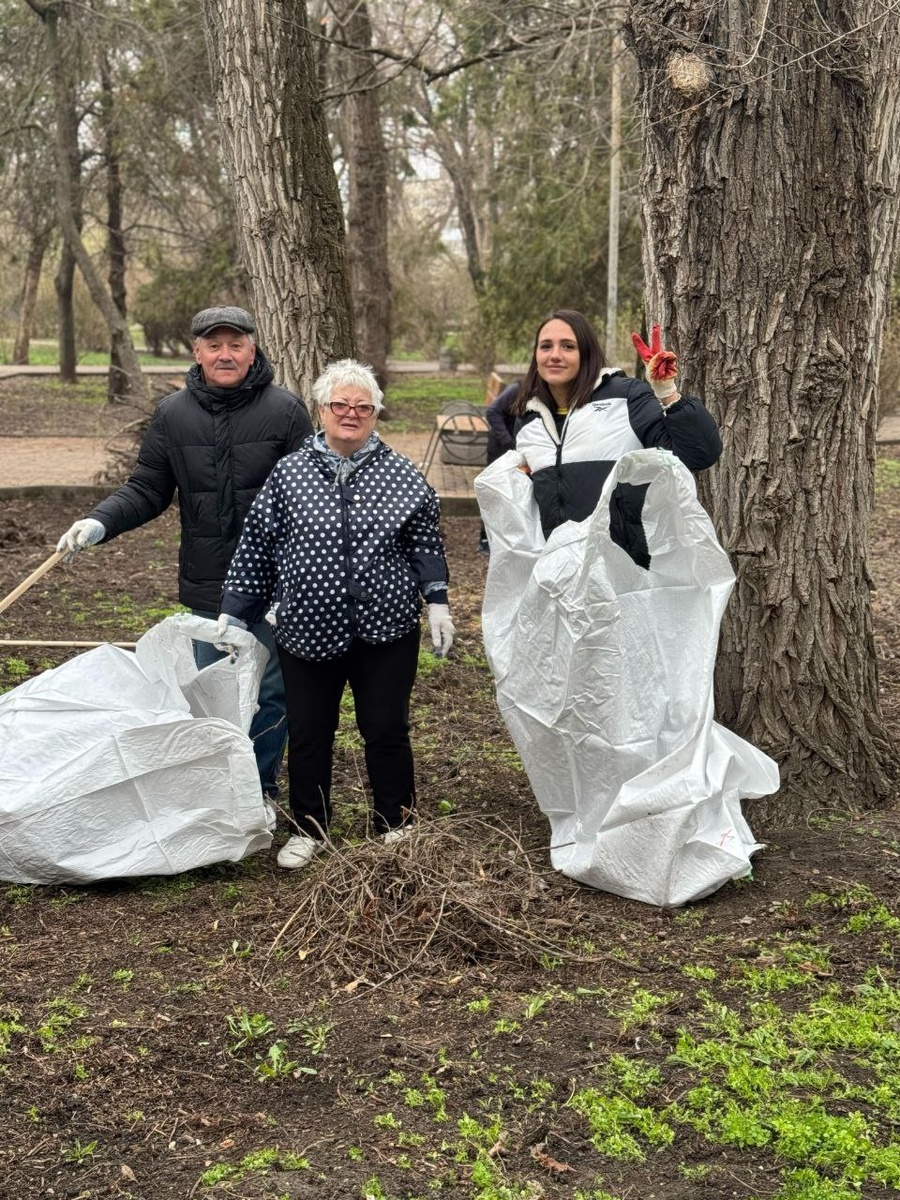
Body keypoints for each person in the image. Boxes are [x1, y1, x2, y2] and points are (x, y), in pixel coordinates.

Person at [56, 305, 313, 803]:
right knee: (213, 690)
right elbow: (147, 488)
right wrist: (100, 521)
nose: (225, 354)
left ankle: (257, 789)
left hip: (276, 586)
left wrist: (297, 577)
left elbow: (310, 501)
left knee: (270, 693)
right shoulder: (173, 415)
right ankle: (218, 789)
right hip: (208, 584)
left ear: (251, 348)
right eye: (213, 345)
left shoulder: (286, 412)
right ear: (196, 353)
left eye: (234, 344)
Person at [216, 358, 455, 871]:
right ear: (321, 410)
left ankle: (395, 820)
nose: (351, 413)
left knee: (386, 727)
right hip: (306, 627)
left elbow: (425, 540)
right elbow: (258, 544)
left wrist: (437, 598)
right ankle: (309, 825)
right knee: (309, 730)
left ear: (374, 414)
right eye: (340, 405)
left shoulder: (400, 474)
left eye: (362, 407)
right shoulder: (290, 473)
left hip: (386, 629)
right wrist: (236, 611)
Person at [511, 309, 722, 536]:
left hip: (621, 563)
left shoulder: (626, 397)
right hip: (556, 564)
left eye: (568, 346)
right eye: (546, 346)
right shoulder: (529, 417)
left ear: (587, 354)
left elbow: (698, 455)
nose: (554, 355)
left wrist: (667, 392)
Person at [477, 381, 520, 553]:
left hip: (519, 452)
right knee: (495, 493)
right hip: (501, 450)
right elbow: (492, 411)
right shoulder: (517, 388)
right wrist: (508, 441)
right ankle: (485, 538)